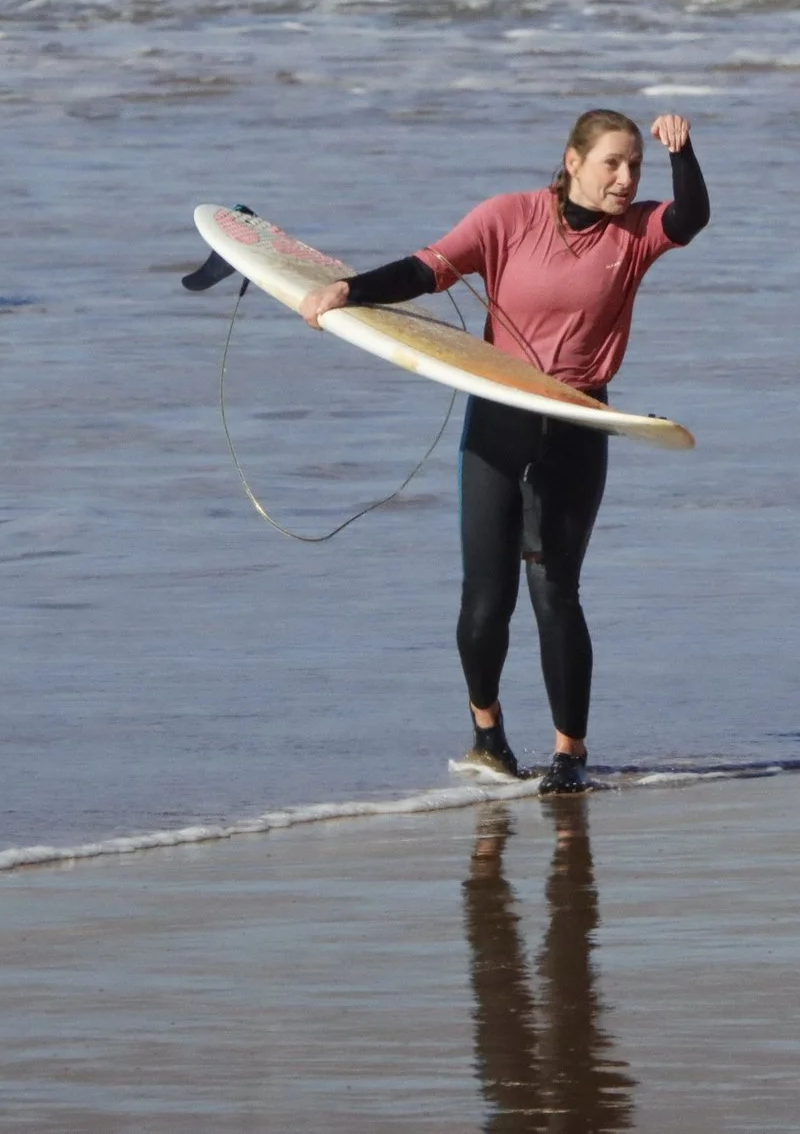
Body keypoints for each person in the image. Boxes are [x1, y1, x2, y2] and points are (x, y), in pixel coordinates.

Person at [300, 111, 708, 795]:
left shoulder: (635, 233)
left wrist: (683, 152)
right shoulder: (508, 217)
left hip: (576, 421)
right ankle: (488, 735)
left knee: (556, 594)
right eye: (612, 163)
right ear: (572, 160)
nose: (626, 178)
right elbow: (428, 270)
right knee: (487, 599)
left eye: (635, 165)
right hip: (498, 416)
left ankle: (569, 756)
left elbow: (690, 217)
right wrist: (349, 290)